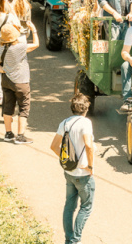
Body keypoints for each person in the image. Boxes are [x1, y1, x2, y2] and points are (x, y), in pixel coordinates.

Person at [51, 93, 96, 244]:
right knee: (86, 207)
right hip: (83, 173)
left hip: (69, 172)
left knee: (69, 207)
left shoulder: (64, 123)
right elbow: (89, 146)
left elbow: (53, 146)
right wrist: (90, 166)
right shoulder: (86, 123)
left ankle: (68, 239)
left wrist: (66, 159)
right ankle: (75, 240)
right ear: (86, 108)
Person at [0, 23, 40, 144]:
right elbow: (36, 44)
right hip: (21, 81)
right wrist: (34, 30)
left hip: (6, 81)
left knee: (8, 106)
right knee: (23, 107)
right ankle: (20, 136)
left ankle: (8, 134)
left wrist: (5, 70)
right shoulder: (20, 47)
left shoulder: (0, 48)